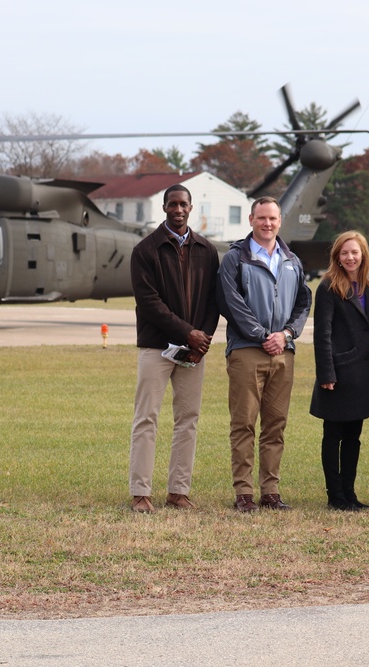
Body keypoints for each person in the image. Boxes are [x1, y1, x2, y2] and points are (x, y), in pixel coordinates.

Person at [128, 184, 221, 514]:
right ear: (164, 207)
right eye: (172, 204)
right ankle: (141, 493)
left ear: (191, 207)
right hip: (156, 348)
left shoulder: (206, 250)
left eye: (183, 204)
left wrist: (203, 340)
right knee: (146, 419)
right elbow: (149, 303)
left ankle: (178, 492)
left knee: (188, 420)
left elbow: (214, 300)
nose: (178, 209)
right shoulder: (146, 250)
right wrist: (188, 332)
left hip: (194, 352)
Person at [217, 196, 311, 512]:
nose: (267, 224)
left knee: (275, 424)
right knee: (244, 423)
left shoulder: (292, 261)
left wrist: (285, 334)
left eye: (272, 218)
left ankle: (270, 491)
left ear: (279, 221)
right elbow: (231, 302)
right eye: (261, 218)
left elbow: (303, 304)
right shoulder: (235, 259)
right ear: (251, 219)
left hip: (284, 353)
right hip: (246, 351)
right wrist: (261, 336)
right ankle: (244, 493)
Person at [309, 231, 369, 511]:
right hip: (338, 374)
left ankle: (350, 493)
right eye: (344, 253)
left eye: (355, 252)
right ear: (337, 256)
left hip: (362, 376)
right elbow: (322, 334)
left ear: (363, 255)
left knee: (354, 437)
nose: (350, 257)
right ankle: (335, 495)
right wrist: (326, 374)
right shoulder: (328, 286)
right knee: (333, 435)